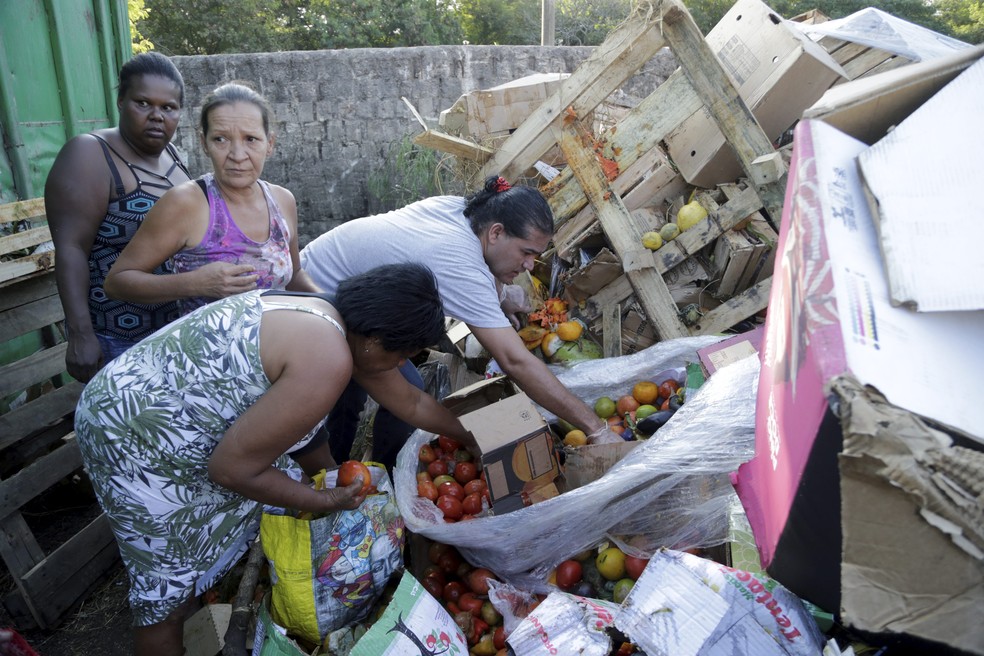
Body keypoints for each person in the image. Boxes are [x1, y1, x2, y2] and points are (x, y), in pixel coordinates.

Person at [74, 263, 472, 656]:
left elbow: (412, 402)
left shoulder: (330, 318)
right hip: (134, 433)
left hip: (169, 410)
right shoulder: (327, 357)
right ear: (375, 340)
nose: (403, 366)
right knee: (168, 589)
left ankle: (207, 620)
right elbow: (231, 469)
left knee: (260, 500)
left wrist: (476, 435)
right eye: (403, 354)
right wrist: (324, 500)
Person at [300, 175, 623, 470]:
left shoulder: (464, 213)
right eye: (526, 252)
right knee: (352, 395)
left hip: (320, 280)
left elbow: (481, 266)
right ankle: (337, 476)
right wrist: (595, 428)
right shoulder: (458, 262)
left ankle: (371, 470)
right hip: (317, 306)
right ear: (496, 232)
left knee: (400, 387)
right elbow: (514, 360)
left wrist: (500, 293)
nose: (528, 265)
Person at [103, 81, 318, 315]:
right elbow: (117, 283)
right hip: (211, 349)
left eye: (251, 139)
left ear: (270, 144)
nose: (237, 155)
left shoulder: (282, 201)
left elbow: (294, 275)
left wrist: (332, 304)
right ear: (204, 143)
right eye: (221, 139)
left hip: (280, 342)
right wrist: (195, 283)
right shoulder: (187, 203)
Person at [45, 51, 193, 383]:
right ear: (121, 101)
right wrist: (81, 334)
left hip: (173, 335)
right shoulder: (90, 154)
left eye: (168, 107)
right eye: (143, 103)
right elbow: (71, 249)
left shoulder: (174, 159)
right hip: (115, 338)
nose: (157, 116)